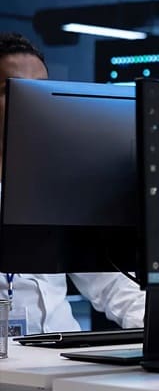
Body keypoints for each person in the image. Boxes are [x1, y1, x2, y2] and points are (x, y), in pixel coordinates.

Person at [0, 32, 145, 334]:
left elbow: (113, 283)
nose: (30, 103)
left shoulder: (64, 188)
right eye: (12, 90)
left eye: (40, 91)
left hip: (60, 356)